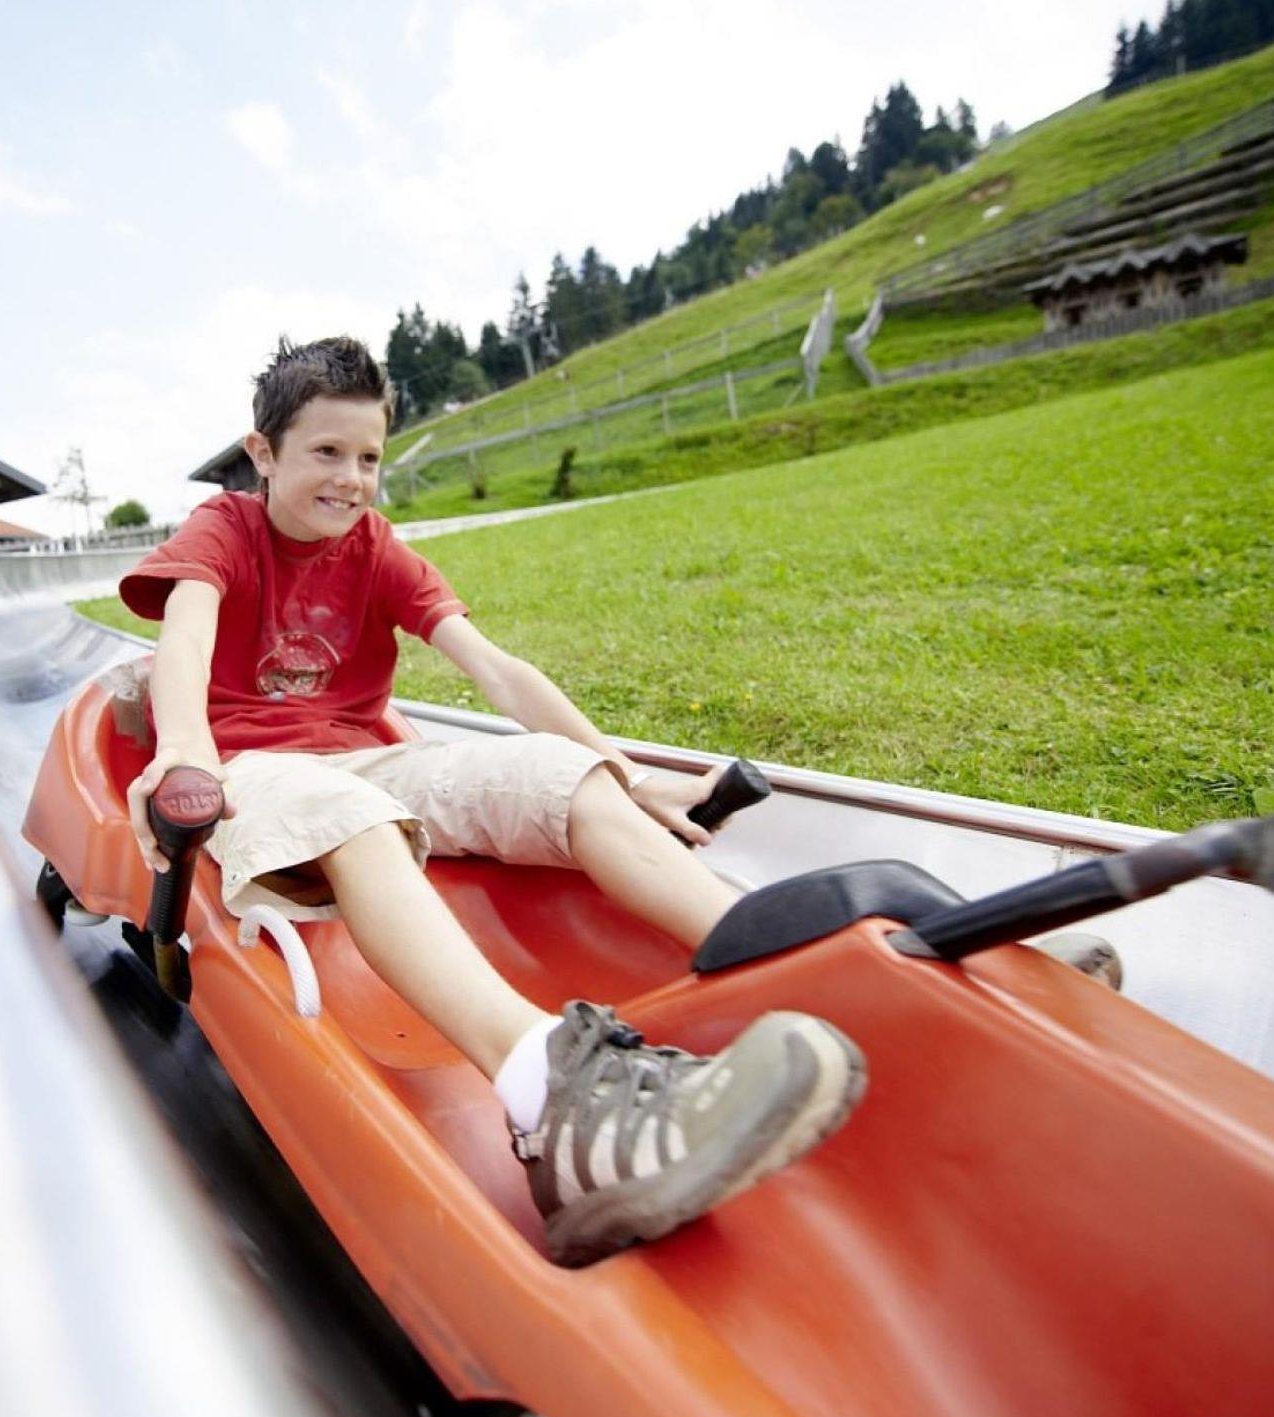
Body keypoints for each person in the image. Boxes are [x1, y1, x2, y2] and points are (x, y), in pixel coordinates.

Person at [117, 335, 864, 1265]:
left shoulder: (375, 546)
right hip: (252, 771)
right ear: (263, 453)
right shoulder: (225, 530)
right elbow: (186, 640)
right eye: (326, 452)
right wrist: (184, 753)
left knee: (559, 774)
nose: (351, 479)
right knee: (359, 823)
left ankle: (807, 970)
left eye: (368, 457)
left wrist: (625, 777)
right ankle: (553, 1104)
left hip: (367, 758)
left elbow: (498, 672)